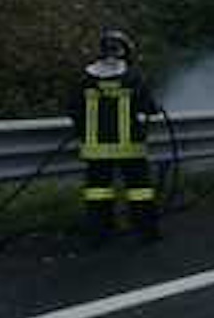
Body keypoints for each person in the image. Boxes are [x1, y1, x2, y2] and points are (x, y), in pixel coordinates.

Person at [68, 29, 161, 243]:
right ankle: (146, 231)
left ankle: (99, 233)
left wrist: (84, 132)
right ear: (125, 51)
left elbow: (73, 108)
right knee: (140, 190)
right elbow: (149, 107)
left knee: (98, 191)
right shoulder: (132, 77)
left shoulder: (86, 78)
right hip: (130, 147)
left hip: (96, 149)